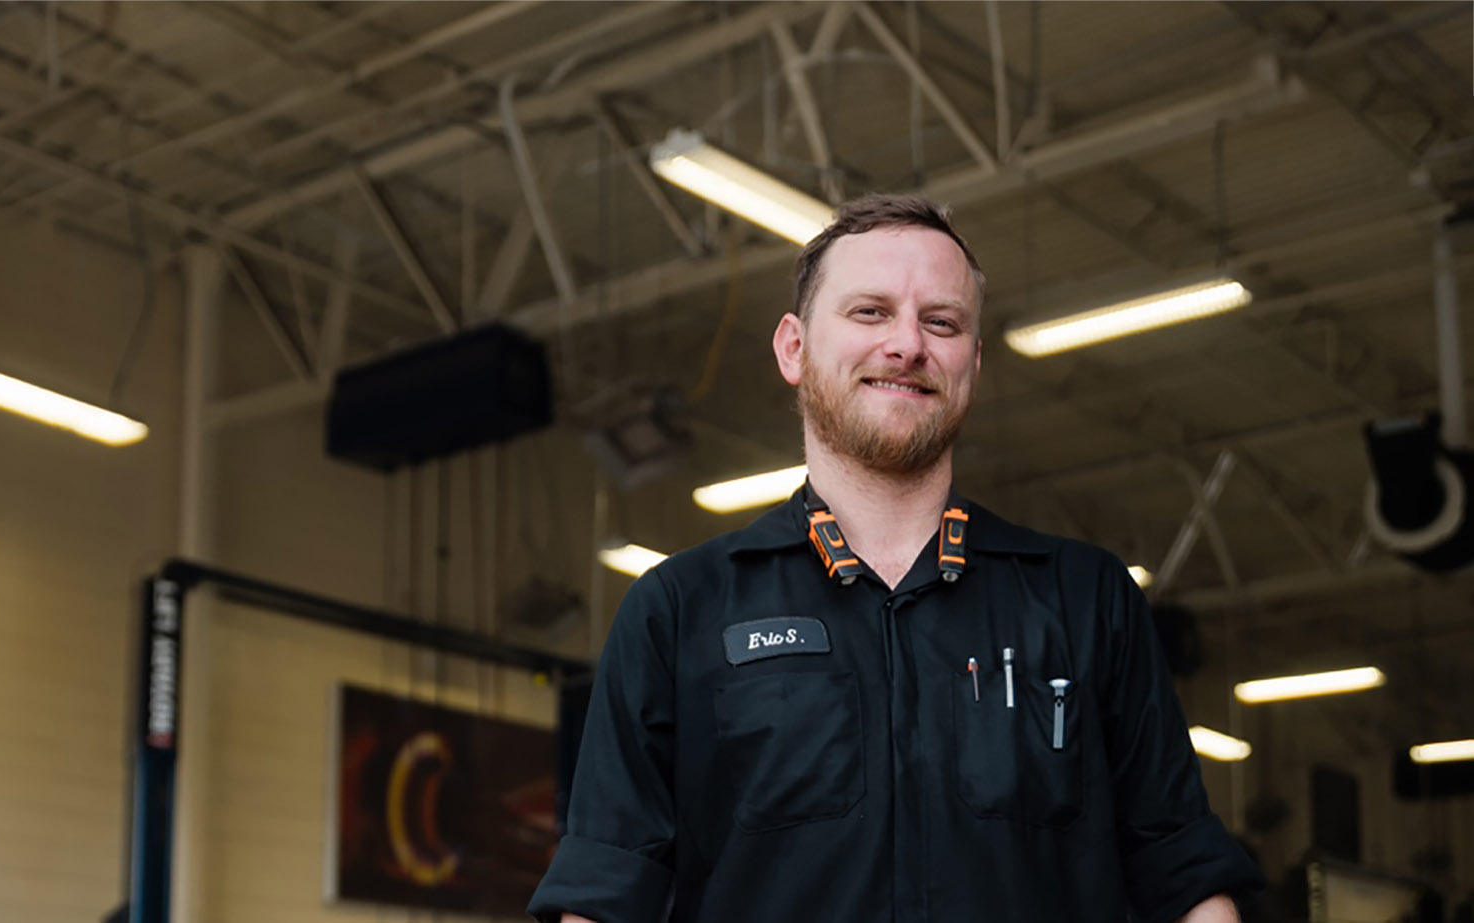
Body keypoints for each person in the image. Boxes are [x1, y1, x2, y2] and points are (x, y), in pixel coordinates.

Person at [526, 194, 1263, 923]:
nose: (907, 345)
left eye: (939, 322)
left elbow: (1182, 875)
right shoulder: (680, 608)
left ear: (970, 362)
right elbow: (605, 891)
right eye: (869, 312)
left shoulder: (1085, 599)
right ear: (793, 347)